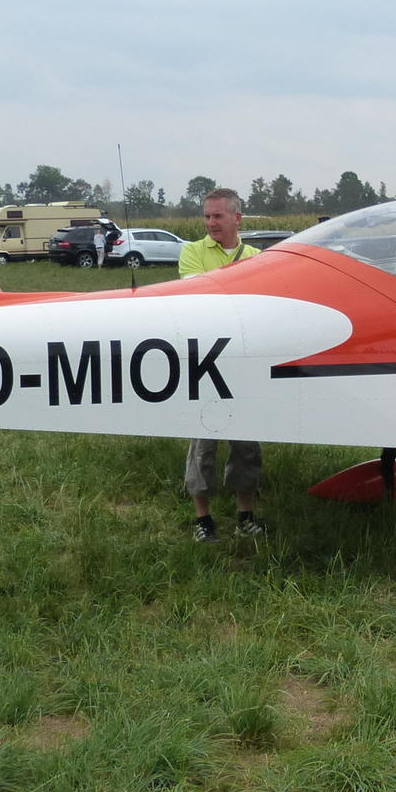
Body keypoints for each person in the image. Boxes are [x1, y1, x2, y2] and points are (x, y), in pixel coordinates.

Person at [178, 188, 263, 542]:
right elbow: (197, 297)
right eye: (207, 216)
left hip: (243, 361)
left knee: (247, 442)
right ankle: (203, 519)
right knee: (203, 442)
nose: (211, 223)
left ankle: (245, 515)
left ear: (236, 218)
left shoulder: (258, 256)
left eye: (217, 216)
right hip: (205, 358)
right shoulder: (192, 252)